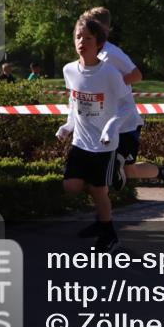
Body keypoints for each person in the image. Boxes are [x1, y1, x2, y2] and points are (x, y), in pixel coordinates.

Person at [81, 7, 164, 213]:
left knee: (115, 168)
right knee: (128, 169)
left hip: (125, 123)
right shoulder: (91, 54)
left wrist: (113, 87)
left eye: (95, 29)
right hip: (104, 122)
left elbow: (136, 75)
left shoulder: (111, 53)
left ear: (106, 30)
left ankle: (103, 221)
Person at [55, 16, 135, 253]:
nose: (82, 41)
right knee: (71, 186)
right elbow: (74, 102)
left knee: (98, 190)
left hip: (105, 145)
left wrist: (111, 126)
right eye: (78, 37)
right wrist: (68, 126)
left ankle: (109, 234)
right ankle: (101, 221)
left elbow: (128, 106)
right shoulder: (69, 70)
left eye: (88, 38)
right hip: (81, 142)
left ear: (98, 43)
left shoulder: (109, 73)